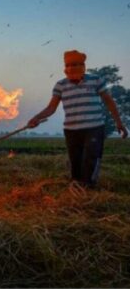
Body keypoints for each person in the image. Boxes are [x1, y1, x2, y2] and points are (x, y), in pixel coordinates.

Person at [28, 50, 128, 188]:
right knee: (75, 161)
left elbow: (109, 101)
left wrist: (119, 122)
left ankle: (89, 188)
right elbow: (51, 108)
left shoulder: (95, 80)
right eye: (68, 65)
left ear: (83, 65)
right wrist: (36, 118)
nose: (71, 68)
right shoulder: (60, 85)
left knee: (91, 158)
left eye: (75, 64)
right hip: (71, 130)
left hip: (94, 128)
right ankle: (76, 186)